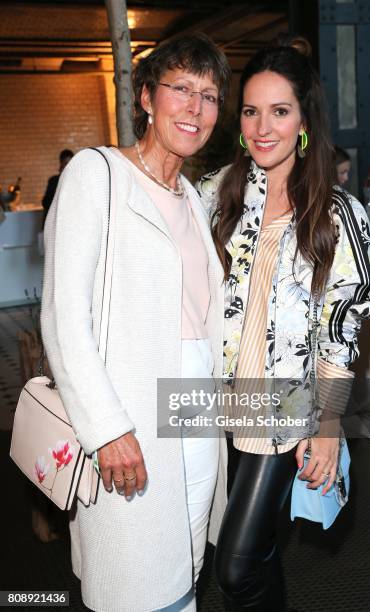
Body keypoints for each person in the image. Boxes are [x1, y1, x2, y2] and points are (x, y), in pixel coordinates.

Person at [196, 38, 370, 611]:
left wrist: (328, 422)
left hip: (286, 408)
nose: (262, 127)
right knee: (255, 556)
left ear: (304, 121)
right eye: (251, 111)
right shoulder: (215, 196)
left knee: (233, 567)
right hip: (217, 404)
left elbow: (341, 334)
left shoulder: (336, 213)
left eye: (280, 111)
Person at [41, 33, 231, 612]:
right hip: (131, 420)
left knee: (188, 569)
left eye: (210, 95)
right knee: (136, 585)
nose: (195, 108)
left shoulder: (193, 199)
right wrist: (106, 427)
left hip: (197, 408)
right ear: (147, 97)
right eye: (181, 89)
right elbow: (63, 317)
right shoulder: (96, 175)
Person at [41, 149, 74, 226]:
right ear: (61, 164)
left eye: (70, 163)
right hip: (55, 223)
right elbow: (45, 203)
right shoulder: (54, 181)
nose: (68, 167)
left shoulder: (75, 181)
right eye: (66, 163)